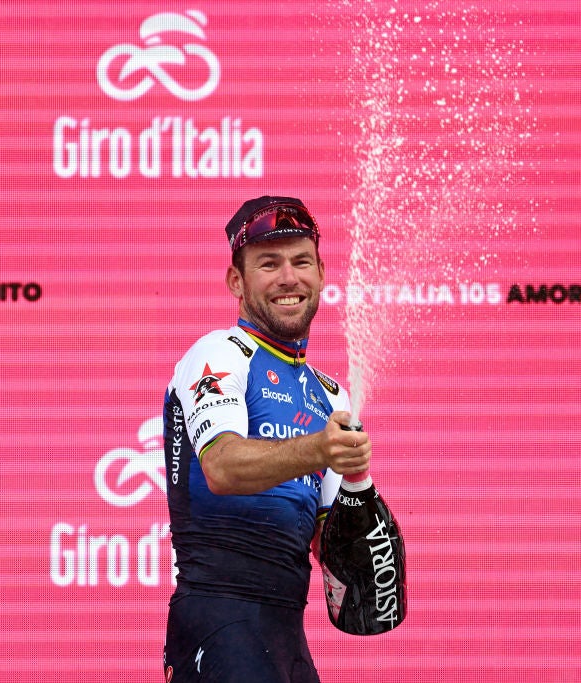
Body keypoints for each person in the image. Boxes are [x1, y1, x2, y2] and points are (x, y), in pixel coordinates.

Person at [162, 196, 371, 682]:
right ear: (237, 281)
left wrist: (365, 527)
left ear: (321, 272)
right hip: (216, 621)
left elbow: (331, 547)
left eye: (301, 261)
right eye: (268, 264)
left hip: (287, 637)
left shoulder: (330, 393)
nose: (288, 278)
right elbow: (223, 466)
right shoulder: (220, 351)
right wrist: (320, 448)